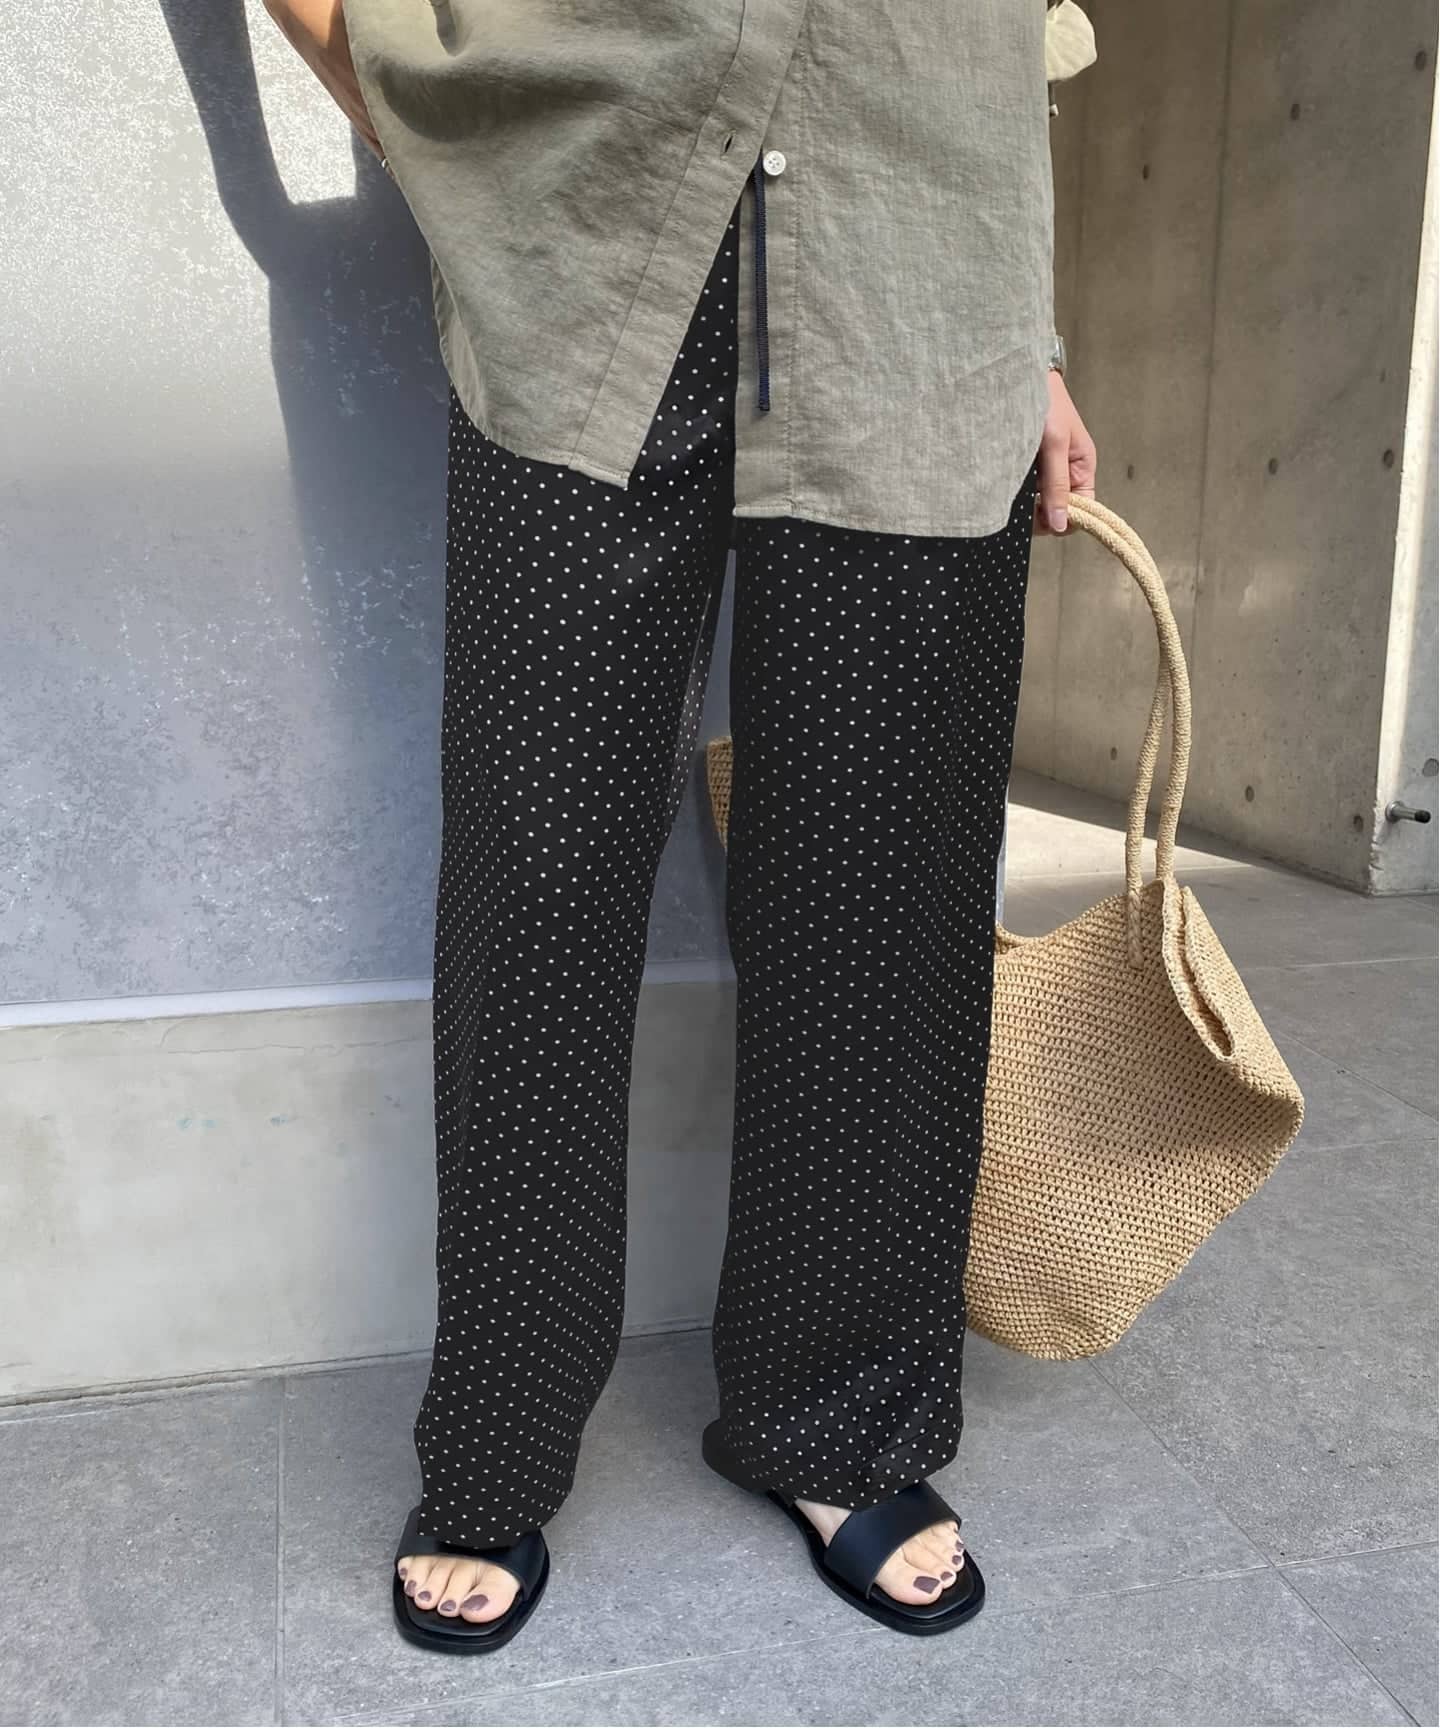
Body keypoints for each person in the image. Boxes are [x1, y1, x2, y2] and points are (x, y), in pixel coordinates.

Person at [263, 0, 1099, 1651]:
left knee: (883, 900)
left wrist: (1040, 345)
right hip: (588, 240)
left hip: (920, 277)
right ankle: (497, 1435)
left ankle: (838, 1418)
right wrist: (387, 87)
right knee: (540, 882)